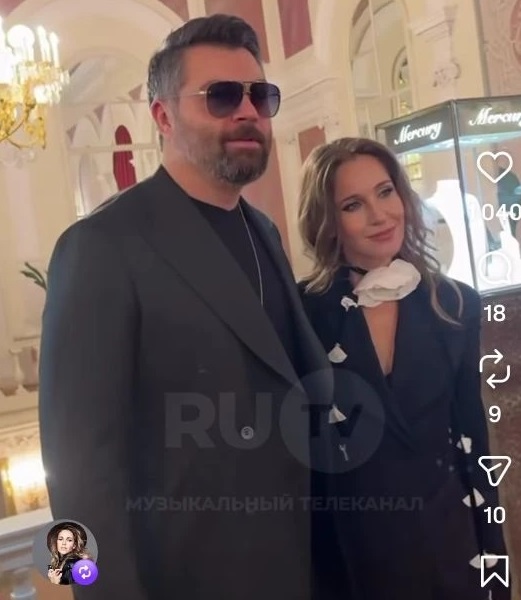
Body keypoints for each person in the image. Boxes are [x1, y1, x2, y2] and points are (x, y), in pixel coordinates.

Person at [39, 14, 336, 600]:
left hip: (294, 569)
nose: (247, 112)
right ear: (163, 116)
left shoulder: (264, 231)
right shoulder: (100, 247)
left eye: (260, 96)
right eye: (221, 96)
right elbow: (75, 475)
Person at [297, 137, 511, 599]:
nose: (380, 215)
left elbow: (474, 441)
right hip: (352, 562)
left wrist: (495, 566)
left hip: (450, 549)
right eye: (354, 205)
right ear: (328, 221)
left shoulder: (455, 303)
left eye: (385, 192)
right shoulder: (301, 313)